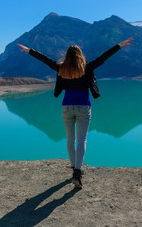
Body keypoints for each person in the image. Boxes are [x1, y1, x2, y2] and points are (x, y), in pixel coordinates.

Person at [18, 37, 133, 189]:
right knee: (82, 140)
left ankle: (74, 169)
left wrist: (29, 51)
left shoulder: (61, 68)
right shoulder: (87, 67)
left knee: (70, 139)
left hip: (66, 107)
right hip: (84, 107)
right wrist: (119, 46)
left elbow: (46, 60)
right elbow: (103, 58)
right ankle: (77, 173)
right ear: (80, 55)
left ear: (66, 56)